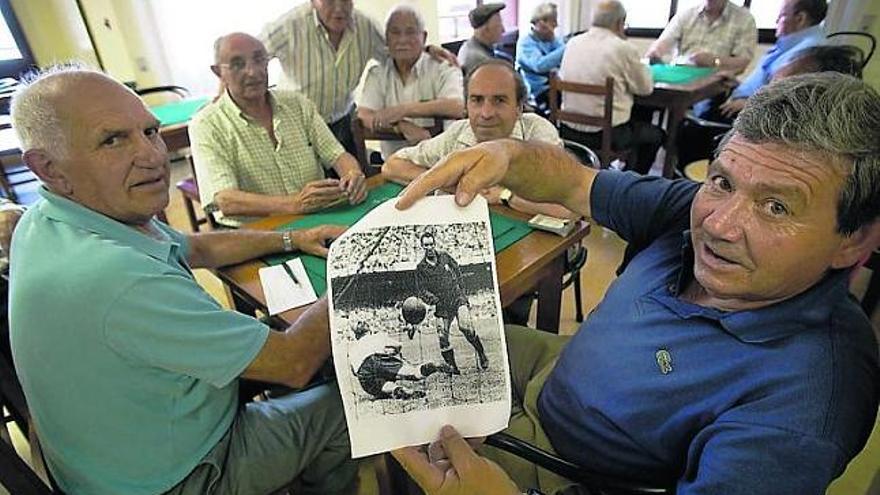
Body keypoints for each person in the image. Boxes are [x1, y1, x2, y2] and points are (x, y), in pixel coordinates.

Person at [393, 72, 880, 494]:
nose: (718, 225)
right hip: (557, 365)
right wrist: (506, 154)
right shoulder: (687, 207)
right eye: (723, 181)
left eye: (777, 207)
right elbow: (572, 183)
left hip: (563, 465)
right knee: (388, 344)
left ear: (854, 240)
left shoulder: (804, 407)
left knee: (368, 426)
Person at [8, 67, 356, 495]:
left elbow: (194, 247)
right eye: (112, 139)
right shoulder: (116, 276)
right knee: (349, 403)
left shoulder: (46, 219)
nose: (152, 156)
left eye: (150, 132)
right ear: (50, 168)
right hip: (177, 477)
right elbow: (293, 362)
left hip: (124, 443)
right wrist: (354, 269)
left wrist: (292, 237)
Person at [190, 33, 366, 227]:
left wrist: (353, 174)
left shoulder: (297, 104)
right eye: (238, 64)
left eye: (259, 60)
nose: (253, 71)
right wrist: (296, 204)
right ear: (218, 72)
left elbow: (336, 154)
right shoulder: (206, 124)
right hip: (257, 235)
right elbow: (225, 200)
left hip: (317, 220)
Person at [382, 59, 574, 221]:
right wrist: (446, 181)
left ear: (519, 108)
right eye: (477, 100)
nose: (486, 113)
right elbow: (392, 166)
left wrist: (504, 195)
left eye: (499, 100)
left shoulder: (538, 133)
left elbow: (568, 208)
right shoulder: (458, 132)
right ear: (467, 105)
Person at [261, 0, 456, 156]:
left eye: (346, 0)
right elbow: (249, 58)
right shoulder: (289, 26)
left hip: (341, 123)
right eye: (329, 1)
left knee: (350, 189)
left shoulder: (365, 26)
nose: (339, 8)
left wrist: (427, 49)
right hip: (297, 126)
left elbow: (395, 51)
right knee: (309, 191)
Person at [559, 0, 664, 175]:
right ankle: (631, 184)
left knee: (636, 123)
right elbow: (645, 89)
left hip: (568, 130)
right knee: (656, 135)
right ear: (619, 23)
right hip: (605, 135)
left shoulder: (573, 43)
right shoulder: (623, 48)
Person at [356, 4, 464, 160]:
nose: (402, 40)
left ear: (424, 37)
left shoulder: (443, 66)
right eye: (395, 32)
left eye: (410, 32)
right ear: (386, 38)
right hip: (394, 166)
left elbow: (457, 107)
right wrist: (400, 125)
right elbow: (364, 114)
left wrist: (403, 110)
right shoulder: (378, 73)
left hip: (440, 164)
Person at [703, 0, 827, 121]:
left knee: (691, 121)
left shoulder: (808, 53)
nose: (776, 21)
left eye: (782, 15)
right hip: (742, 104)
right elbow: (767, 84)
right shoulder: (794, 43)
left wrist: (750, 104)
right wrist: (738, 85)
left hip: (751, 117)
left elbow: (786, 105)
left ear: (800, 18)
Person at [413, 231, 489, 374]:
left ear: (434, 244)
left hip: (456, 297)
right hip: (441, 304)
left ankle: (481, 353)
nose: (429, 247)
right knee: (442, 337)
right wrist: (433, 299)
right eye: (426, 245)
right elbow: (421, 290)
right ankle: (453, 367)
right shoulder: (420, 268)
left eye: (431, 244)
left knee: (466, 327)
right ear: (422, 247)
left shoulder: (445, 257)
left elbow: (458, 271)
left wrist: (462, 292)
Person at [348, 321, 452, 400]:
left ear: (356, 335)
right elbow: (398, 345)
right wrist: (393, 352)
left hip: (363, 372)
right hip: (377, 359)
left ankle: (400, 390)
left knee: (382, 387)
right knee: (413, 374)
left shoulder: (352, 348)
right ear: (368, 330)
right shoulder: (377, 336)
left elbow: (354, 372)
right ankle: (432, 366)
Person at [645, 0, 756, 74]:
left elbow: (743, 62)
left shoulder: (745, 19)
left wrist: (714, 61)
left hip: (717, 81)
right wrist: (656, 51)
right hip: (680, 73)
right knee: (642, 96)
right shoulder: (686, 14)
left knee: (706, 106)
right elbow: (664, 41)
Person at [515, 2, 566, 115]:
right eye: (553, 22)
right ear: (540, 22)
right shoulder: (526, 43)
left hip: (553, 87)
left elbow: (564, 56)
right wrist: (567, 47)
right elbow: (540, 65)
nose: (556, 25)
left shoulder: (551, 40)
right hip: (535, 93)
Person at [458, 3, 506, 74]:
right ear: (485, 30)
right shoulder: (479, 61)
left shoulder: (471, 45)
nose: (503, 30)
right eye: (499, 25)